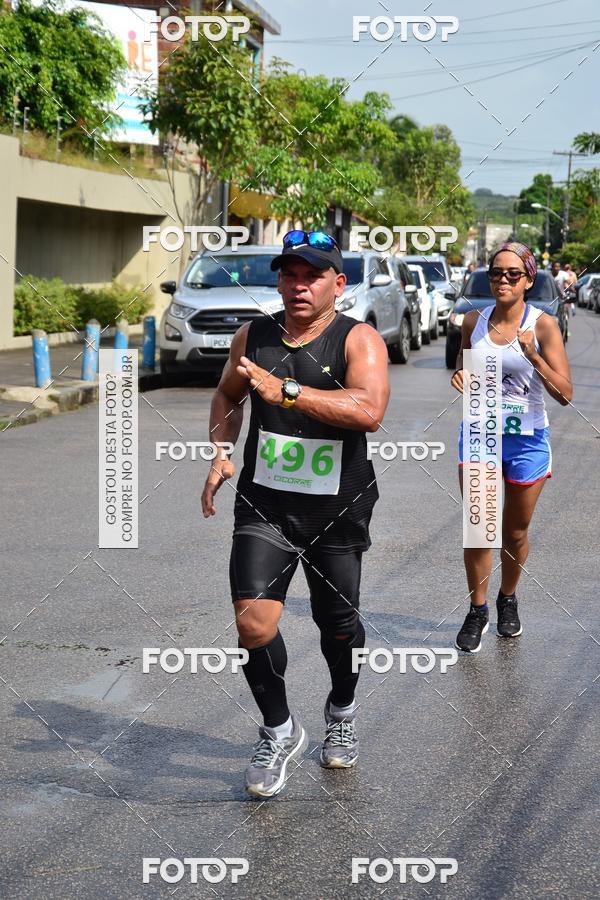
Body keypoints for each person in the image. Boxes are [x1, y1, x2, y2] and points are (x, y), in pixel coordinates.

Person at [201, 230, 390, 796]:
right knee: (252, 620)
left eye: (312, 275)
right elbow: (226, 398)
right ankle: (279, 729)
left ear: (339, 283)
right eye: (289, 273)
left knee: (338, 625)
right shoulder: (252, 336)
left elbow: (368, 410)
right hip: (266, 503)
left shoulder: (359, 341)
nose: (298, 285)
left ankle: (342, 712)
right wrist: (220, 451)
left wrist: (285, 391)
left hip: (337, 506)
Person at [451, 242, 572, 652]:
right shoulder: (473, 320)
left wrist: (534, 356)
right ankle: (477, 609)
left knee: (515, 531)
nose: (503, 280)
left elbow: (565, 394)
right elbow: (464, 368)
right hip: (480, 433)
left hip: (528, 440)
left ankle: (508, 597)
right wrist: (459, 377)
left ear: (528, 280)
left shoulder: (543, 325)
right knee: (479, 527)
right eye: (496, 272)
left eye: (513, 274)